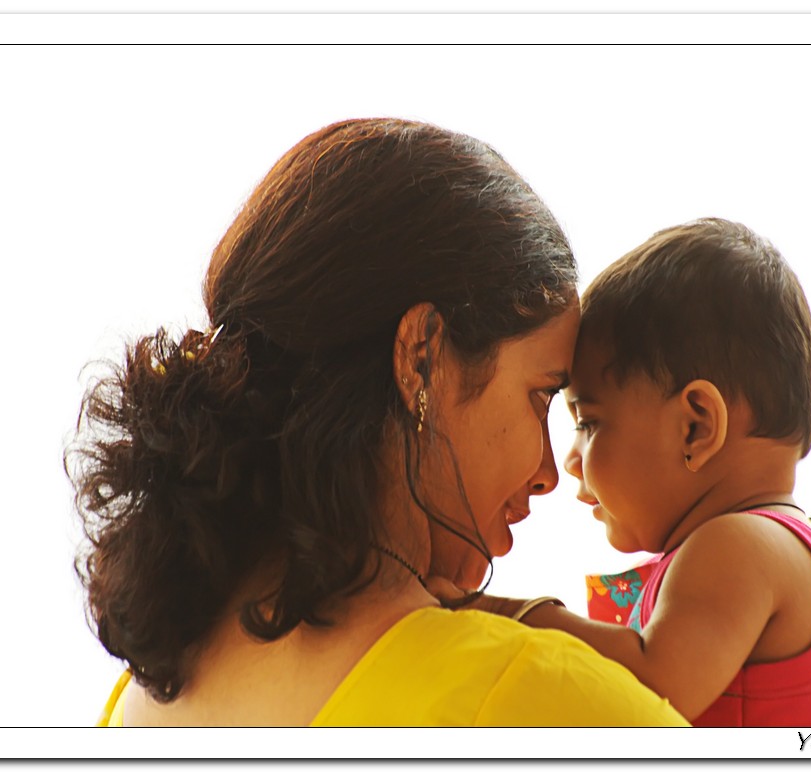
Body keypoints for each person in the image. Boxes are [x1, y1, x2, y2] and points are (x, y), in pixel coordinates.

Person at [66, 118, 688, 727]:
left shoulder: (137, 701)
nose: (551, 474)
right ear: (422, 358)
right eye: (542, 395)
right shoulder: (539, 700)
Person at [478, 219, 811, 727]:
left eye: (589, 422)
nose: (571, 459)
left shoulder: (739, 546)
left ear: (696, 428)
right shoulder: (766, 547)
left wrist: (503, 615)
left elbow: (649, 691)